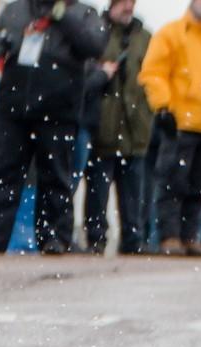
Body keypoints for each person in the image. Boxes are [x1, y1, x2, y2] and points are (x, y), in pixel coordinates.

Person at [0, 0, 106, 255]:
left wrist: (62, 17)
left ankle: (54, 237)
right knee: (2, 172)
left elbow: (94, 45)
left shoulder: (83, 13)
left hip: (58, 108)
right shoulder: (15, 9)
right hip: (14, 106)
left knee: (55, 174)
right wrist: (2, 41)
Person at [138, 0, 201, 257]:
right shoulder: (172, 34)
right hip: (181, 124)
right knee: (173, 181)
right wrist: (162, 106)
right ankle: (169, 236)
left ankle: (189, 236)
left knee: (200, 184)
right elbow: (153, 72)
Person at [80, 0, 152, 256]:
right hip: (104, 127)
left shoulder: (145, 38)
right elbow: (84, 70)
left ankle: (133, 239)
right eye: (123, 3)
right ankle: (96, 238)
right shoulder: (96, 33)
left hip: (135, 130)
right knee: (98, 192)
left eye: (131, 3)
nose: (128, 8)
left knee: (133, 193)